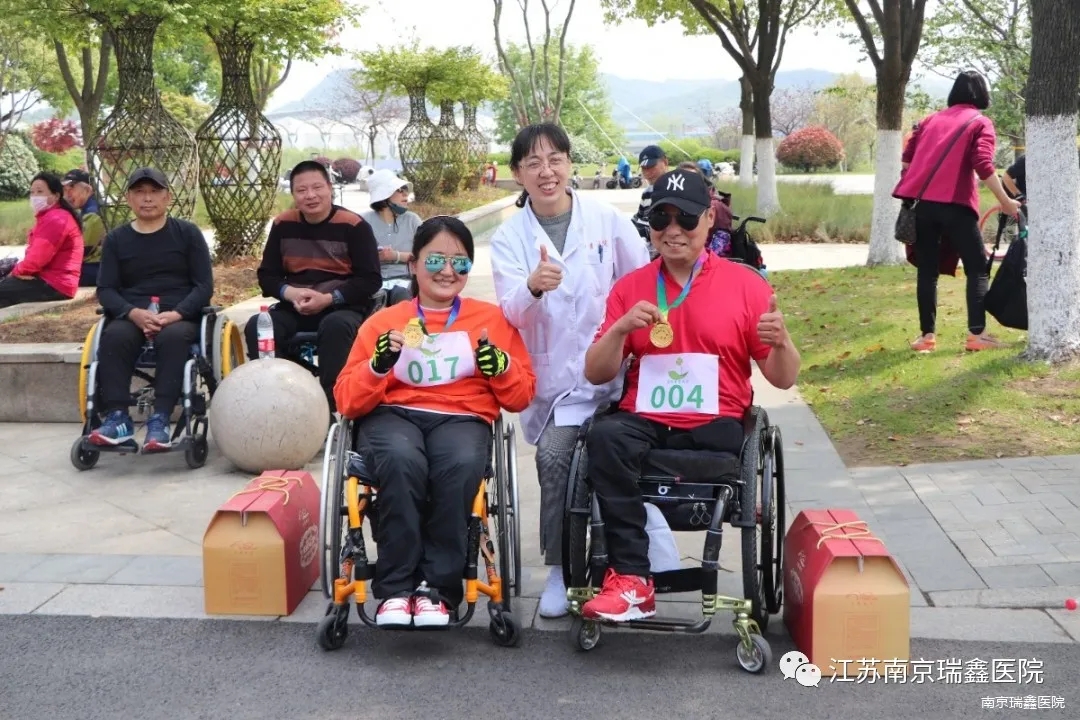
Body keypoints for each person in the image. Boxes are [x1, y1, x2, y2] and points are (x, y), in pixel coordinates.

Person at [579, 168, 801, 622]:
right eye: (661, 219)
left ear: (709, 220)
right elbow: (596, 372)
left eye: (686, 218)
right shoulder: (630, 287)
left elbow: (783, 379)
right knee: (604, 439)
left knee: (706, 454)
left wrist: (782, 342)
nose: (673, 229)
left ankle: (642, 518)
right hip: (644, 422)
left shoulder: (746, 285)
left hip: (714, 423)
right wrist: (619, 330)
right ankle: (633, 578)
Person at [489, 123, 677, 620]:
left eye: (555, 159)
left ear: (570, 163)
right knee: (555, 457)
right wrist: (532, 287)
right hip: (558, 389)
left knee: (626, 453)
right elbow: (509, 313)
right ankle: (561, 567)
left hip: (620, 377)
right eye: (533, 163)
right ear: (518, 174)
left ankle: (635, 555)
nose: (546, 171)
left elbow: (642, 281)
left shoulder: (605, 220)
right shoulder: (509, 238)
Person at [334, 216, 537, 628]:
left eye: (460, 262)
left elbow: (520, 397)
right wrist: (377, 367)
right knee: (400, 461)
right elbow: (346, 400)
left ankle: (437, 589)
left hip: (461, 417)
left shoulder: (492, 321)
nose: (448, 271)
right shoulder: (383, 322)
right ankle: (396, 589)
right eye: (435, 260)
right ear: (413, 265)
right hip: (393, 415)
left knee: (459, 465)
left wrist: (500, 367)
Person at [893, 70, 1021, 354]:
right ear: (982, 94)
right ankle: (977, 335)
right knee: (976, 268)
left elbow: (906, 162)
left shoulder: (929, 121)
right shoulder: (980, 122)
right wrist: (1005, 201)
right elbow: (983, 165)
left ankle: (926, 337)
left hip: (922, 205)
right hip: (956, 206)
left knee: (927, 271)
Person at [89, 167, 213, 450]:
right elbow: (105, 289)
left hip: (178, 314)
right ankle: (118, 417)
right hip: (133, 314)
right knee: (115, 335)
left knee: (173, 337)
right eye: (140, 192)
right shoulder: (117, 239)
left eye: (155, 192)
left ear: (167, 197)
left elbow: (204, 286)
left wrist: (177, 313)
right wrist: (132, 313)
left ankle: (160, 419)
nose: (147, 198)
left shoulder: (187, 234)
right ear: (129, 199)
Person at [247, 160, 381, 413]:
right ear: (293, 194)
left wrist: (329, 298)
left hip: (340, 306)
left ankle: (331, 405)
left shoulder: (354, 225)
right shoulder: (282, 224)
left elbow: (370, 279)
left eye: (317, 187)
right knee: (259, 326)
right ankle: (278, 398)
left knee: (336, 326)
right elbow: (267, 275)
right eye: (302, 190)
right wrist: (290, 293)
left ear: (330, 188)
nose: (310, 195)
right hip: (295, 306)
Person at [0, 172, 83, 308]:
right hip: (48, 279)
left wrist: (14, 273)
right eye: (32, 192)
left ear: (56, 196)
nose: (34, 196)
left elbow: (36, 260)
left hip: (55, 283)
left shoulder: (56, 219)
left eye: (40, 192)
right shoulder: (50, 216)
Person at [361, 169, 421, 305]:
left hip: (404, 280)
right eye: (399, 190)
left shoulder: (412, 220)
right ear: (384, 197)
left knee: (402, 299)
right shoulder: (363, 221)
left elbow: (425, 256)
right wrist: (374, 257)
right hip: (373, 281)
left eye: (405, 189)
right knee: (371, 301)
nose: (405, 194)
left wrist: (395, 256)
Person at [61, 169, 107, 287]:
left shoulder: (92, 213)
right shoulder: (87, 210)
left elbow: (81, 249)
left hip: (97, 268)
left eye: (72, 188)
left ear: (87, 189)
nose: (67, 194)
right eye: (65, 190)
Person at [630, 145, 669, 241]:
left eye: (651, 167)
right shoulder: (647, 193)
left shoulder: (676, 190)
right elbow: (638, 217)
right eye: (644, 168)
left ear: (665, 162)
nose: (647, 173)